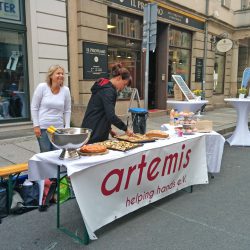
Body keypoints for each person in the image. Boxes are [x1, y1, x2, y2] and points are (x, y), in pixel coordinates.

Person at [31, 64, 71, 210]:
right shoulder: (42, 87)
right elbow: (34, 107)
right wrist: (36, 125)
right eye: (58, 73)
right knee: (46, 159)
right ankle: (45, 195)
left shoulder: (65, 90)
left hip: (58, 131)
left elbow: (67, 110)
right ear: (51, 75)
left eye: (62, 73)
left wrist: (66, 128)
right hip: (43, 129)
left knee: (59, 159)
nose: (60, 76)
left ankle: (58, 191)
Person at [81, 63, 133, 143]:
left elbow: (102, 111)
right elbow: (111, 116)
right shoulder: (109, 91)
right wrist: (126, 129)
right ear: (119, 78)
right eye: (124, 84)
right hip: (95, 131)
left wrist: (109, 130)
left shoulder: (105, 87)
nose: (123, 88)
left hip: (91, 128)